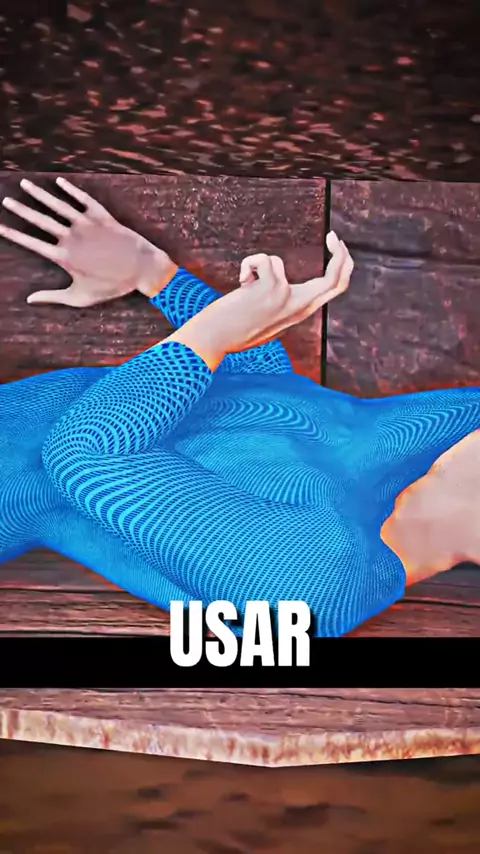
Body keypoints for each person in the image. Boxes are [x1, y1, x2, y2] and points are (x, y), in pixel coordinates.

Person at [0, 178, 478, 637]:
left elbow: (86, 456)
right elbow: (269, 406)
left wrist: (214, 333)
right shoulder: (435, 441)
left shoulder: (325, 582)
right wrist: (155, 275)